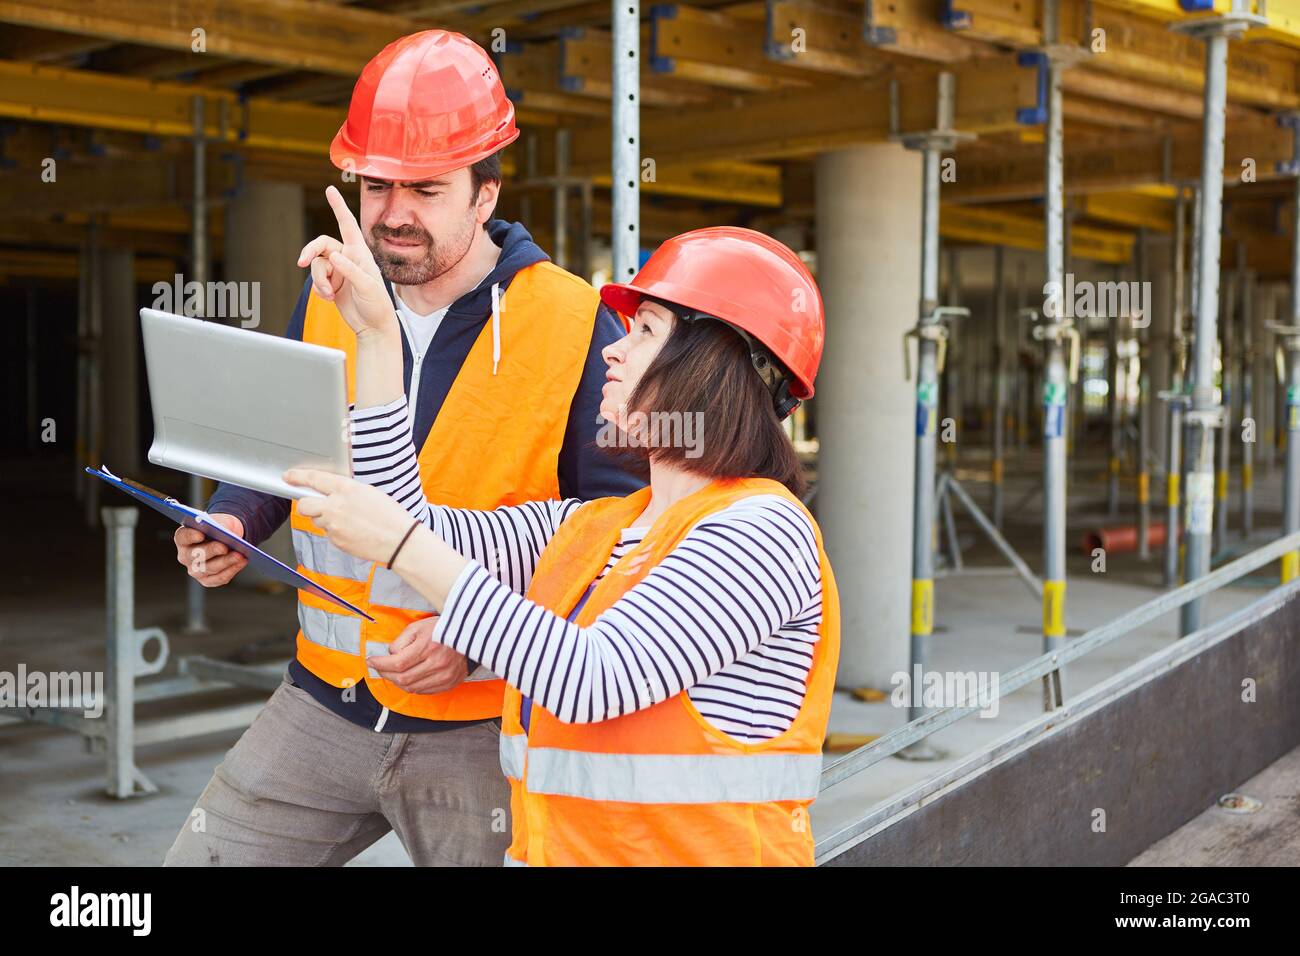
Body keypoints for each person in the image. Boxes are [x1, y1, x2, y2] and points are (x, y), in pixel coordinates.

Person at [164, 30, 641, 867]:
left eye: (426, 188)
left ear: (485, 194)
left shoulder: (571, 320)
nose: (393, 213)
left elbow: (615, 528)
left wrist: (476, 632)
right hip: (323, 702)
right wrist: (234, 518)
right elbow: (290, 451)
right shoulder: (329, 299)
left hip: (482, 722)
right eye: (376, 185)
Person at [285, 219, 841, 866]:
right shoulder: (593, 527)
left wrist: (404, 543)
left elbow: (593, 677)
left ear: (713, 368)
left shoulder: (761, 534)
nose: (614, 349)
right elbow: (407, 521)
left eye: (645, 331)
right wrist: (377, 338)